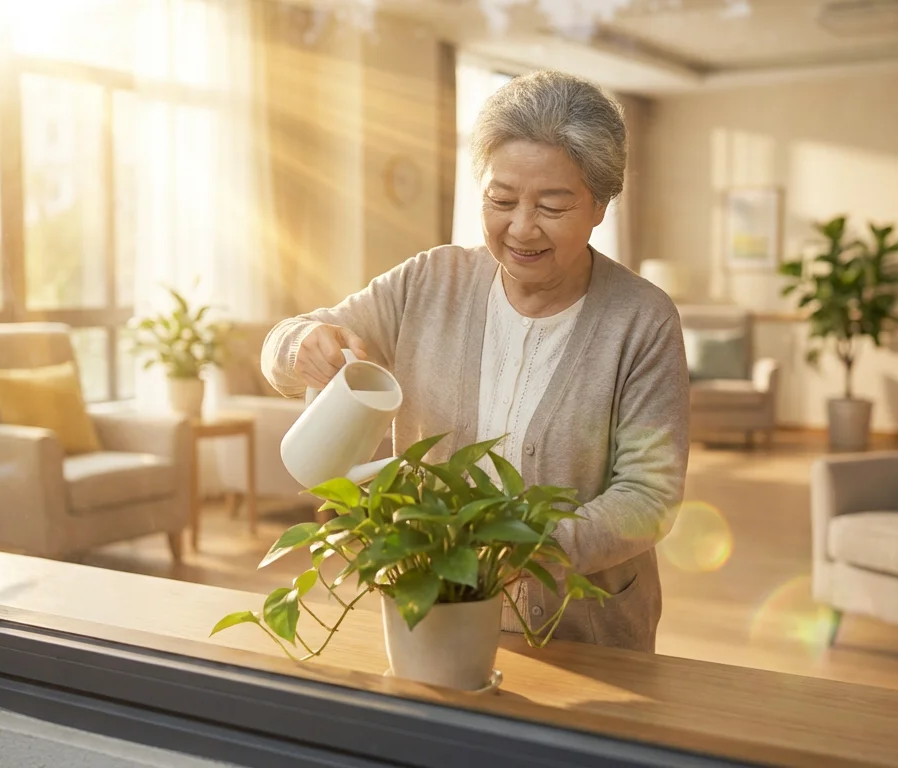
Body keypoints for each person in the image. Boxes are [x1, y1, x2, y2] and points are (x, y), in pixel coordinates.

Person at [261, 70, 688, 652]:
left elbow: (649, 496)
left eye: (553, 205)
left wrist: (523, 548)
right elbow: (284, 346)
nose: (521, 228)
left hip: (584, 634)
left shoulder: (642, 319)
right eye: (501, 200)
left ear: (600, 206)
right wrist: (301, 344)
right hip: (434, 614)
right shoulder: (430, 281)